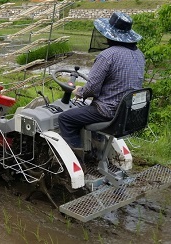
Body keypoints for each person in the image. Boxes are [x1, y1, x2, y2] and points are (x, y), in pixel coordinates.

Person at [58, 11, 145, 150]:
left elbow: (92, 88)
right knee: (87, 110)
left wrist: (79, 91)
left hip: (107, 112)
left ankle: (78, 157)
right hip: (127, 112)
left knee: (65, 118)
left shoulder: (107, 55)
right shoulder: (139, 54)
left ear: (109, 35)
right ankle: (96, 147)